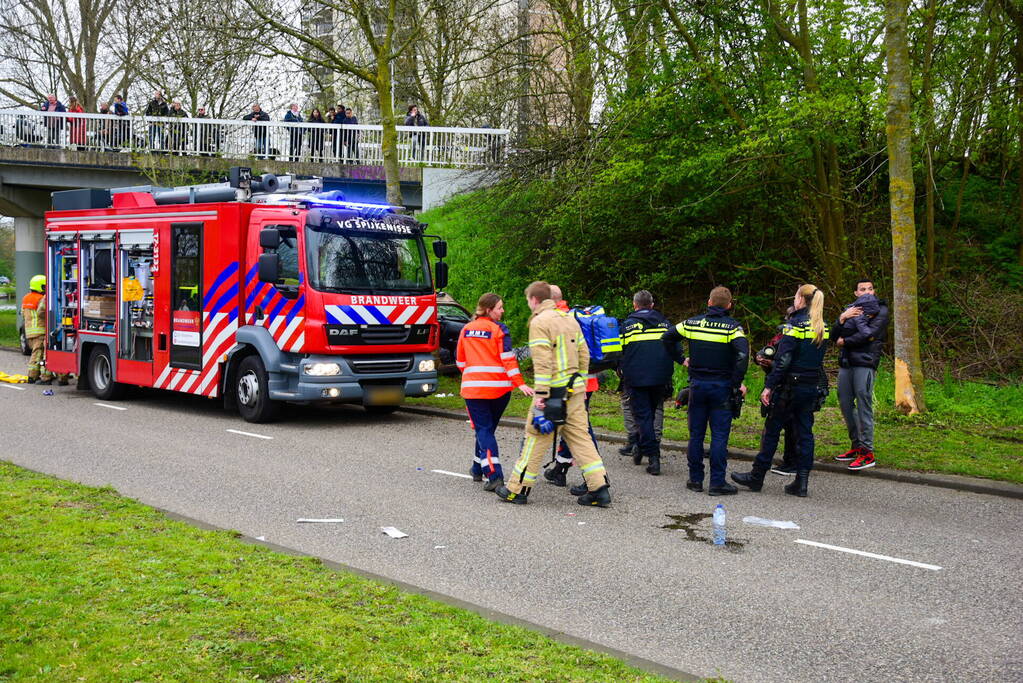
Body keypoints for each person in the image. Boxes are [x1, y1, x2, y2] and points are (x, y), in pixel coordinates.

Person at [496, 281, 611, 507]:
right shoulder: (569, 318)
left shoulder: (539, 322)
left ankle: (516, 489)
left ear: (535, 300)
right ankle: (599, 488)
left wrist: (541, 395)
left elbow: (542, 363)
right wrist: (579, 379)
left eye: (528, 299)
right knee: (581, 439)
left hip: (552, 394)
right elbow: (584, 354)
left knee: (535, 438)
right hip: (575, 391)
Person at [732, 284, 829, 498]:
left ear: (801, 300)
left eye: (795, 296)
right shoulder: (822, 326)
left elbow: (783, 361)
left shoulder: (793, 325)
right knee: (805, 433)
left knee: (772, 431)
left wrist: (769, 386)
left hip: (789, 387)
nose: (794, 300)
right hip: (810, 386)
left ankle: (757, 477)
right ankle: (801, 482)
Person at [662, 286, 749, 495]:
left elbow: (667, 337)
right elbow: (743, 355)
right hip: (721, 387)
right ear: (729, 305)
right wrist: (736, 383)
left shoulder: (692, 323)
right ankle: (717, 483)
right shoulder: (732, 328)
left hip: (697, 386)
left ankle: (695, 480)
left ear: (709, 303)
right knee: (719, 436)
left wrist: (682, 359)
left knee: (696, 435)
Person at [456, 293, 534, 491]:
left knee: (484, 430)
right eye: (499, 307)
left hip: (474, 390)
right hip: (500, 390)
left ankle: (493, 474)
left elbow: (460, 362)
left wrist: (474, 374)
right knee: (487, 430)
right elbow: (508, 359)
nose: (502, 311)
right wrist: (519, 383)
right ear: (489, 310)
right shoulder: (499, 330)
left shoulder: (466, 329)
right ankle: (481, 470)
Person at [542, 283, 601, 488]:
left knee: (581, 432)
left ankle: (596, 479)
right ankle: (560, 469)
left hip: (567, 385)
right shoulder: (573, 316)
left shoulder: (556, 321)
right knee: (571, 427)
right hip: (586, 381)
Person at [619, 290, 681, 476]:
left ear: (634, 305)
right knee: (652, 413)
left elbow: (616, 351)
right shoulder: (665, 324)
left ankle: (653, 457)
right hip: (661, 378)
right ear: (652, 305)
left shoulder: (626, 325)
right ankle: (638, 444)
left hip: (636, 378)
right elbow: (675, 348)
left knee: (643, 417)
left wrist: (620, 369)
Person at [832, 279, 890, 471]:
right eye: (862, 289)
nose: (867, 292)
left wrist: (844, 341)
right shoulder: (850, 310)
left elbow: (870, 335)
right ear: (856, 293)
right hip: (846, 363)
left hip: (865, 362)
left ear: (874, 291)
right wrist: (842, 318)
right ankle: (856, 445)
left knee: (863, 404)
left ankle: (867, 451)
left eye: (870, 288)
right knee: (845, 403)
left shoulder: (881, 310)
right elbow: (833, 335)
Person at [755, 306, 801, 476]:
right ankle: (763, 465)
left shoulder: (800, 335)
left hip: (791, 385)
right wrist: (760, 358)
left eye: (793, 316)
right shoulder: (780, 336)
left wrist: (772, 365)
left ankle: (792, 462)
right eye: (788, 316)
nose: (789, 320)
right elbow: (767, 350)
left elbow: (789, 364)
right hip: (777, 384)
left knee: (792, 426)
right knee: (773, 425)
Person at [21, 275, 67, 386]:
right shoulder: (41, 298)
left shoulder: (26, 298)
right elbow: (42, 312)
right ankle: (39, 376)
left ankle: (34, 376)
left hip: (30, 332)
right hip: (40, 331)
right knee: (40, 354)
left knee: (37, 353)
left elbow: (23, 314)